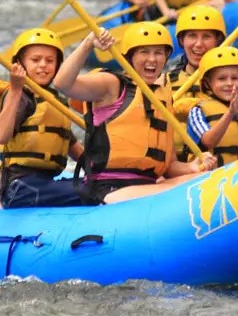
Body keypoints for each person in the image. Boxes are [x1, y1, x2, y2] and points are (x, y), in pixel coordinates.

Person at [53, 23, 216, 204]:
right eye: (144, 52)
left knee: (209, 180)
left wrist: (192, 167)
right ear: (130, 57)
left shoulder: (163, 97)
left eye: (159, 53)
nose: (152, 59)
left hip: (148, 184)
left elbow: (170, 166)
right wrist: (88, 44)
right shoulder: (112, 85)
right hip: (108, 186)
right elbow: (62, 83)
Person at [0, 28, 86, 208]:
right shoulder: (21, 96)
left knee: (97, 185)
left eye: (50, 60)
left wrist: (107, 171)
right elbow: (0, 136)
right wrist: (15, 89)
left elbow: (73, 147)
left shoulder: (54, 101)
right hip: (20, 188)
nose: (43, 65)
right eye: (36, 60)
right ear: (20, 65)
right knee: (91, 191)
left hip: (43, 183)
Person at [163, 2, 238, 134]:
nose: (198, 44)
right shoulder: (165, 82)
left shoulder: (235, 69)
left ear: (218, 40)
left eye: (206, 37)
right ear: (182, 41)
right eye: (192, 36)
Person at [186, 46, 238, 167]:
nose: (229, 83)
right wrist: (230, 114)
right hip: (214, 178)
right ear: (208, 82)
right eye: (221, 79)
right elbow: (208, 142)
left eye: (234, 78)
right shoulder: (197, 111)